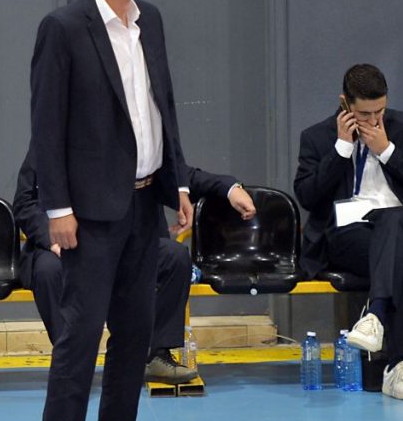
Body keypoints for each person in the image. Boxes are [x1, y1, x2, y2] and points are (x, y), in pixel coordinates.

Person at [28, 0, 194, 421]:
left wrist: (177, 182)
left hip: (144, 204)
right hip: (90, 211)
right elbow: (47, 125)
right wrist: (58, 207)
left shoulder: (151, 22)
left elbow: (162, 107)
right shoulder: (64, 28)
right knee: (79, 336)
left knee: (135, 333)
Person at [13, 148, 256, 385]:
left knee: (174, 257)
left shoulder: (132, 141)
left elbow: (182, 175)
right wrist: (52, 239)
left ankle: (156, 355)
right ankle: (72, 362)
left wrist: (230, 189)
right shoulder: (48, 143)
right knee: (48, 270)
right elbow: (24, 203)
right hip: (64, 244)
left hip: (125, 243)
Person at [294, 64, 403, 400]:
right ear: (345, 104)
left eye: (379, 111)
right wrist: (341, 149)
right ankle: (396, 365)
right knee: (398, 257)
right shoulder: (316, 136)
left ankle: (376, 317)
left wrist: (387, 150)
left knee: (393, 222)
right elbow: (308, 197)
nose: (373, 120)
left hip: (401, 224)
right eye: (364, 114)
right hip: (349, 232)